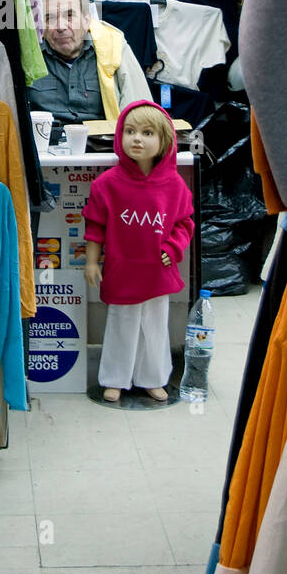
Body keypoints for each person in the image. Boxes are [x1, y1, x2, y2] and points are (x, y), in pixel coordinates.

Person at [83, 101, 194, 402]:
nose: (137, 139)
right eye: (130, 131)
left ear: (164, 142)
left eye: (147, 133)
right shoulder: (107, 184)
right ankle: (114, 378)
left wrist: (174, 247)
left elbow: (184, 223)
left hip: (158, 272)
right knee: (122, 321)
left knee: (155, 325)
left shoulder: (175, 186)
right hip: (122, 270)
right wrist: (92, 262)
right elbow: (95, 226)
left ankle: (153, 377)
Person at [26, 0, 151, 123]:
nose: (60, 26)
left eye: (69, 16)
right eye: (50, 18)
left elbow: (141, 114)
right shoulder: (29, 55)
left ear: (87, 20)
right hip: (44, 141)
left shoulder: (113, 47)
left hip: (101, 142)